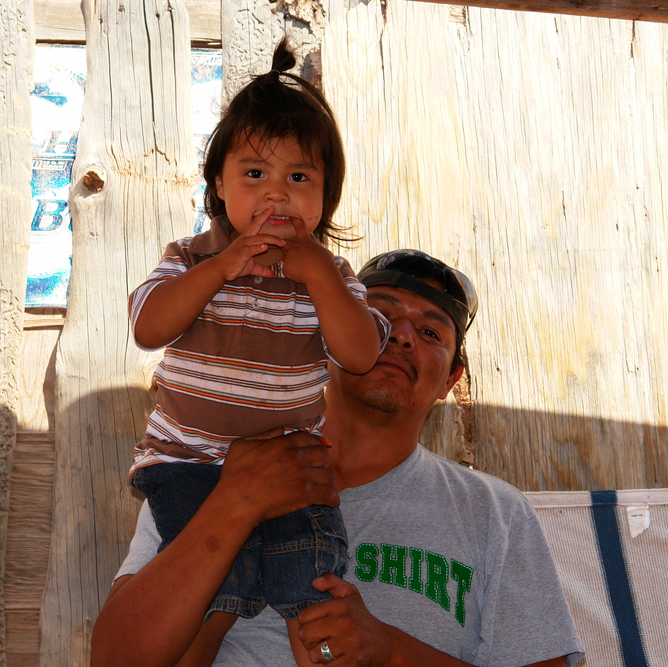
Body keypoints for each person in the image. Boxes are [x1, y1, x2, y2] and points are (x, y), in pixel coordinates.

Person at [93, 249, 585, 666]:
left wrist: (390, 650)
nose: (402, 335)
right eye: (381, 316)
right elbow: (114, 658)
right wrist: (236, 504)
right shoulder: (202, 469)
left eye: (432, 333)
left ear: (450, 381)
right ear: (324, 333)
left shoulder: (495, 513)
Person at [125, 37, 390, 666]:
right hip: (187, 461)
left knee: (313, 581)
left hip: (288, 467)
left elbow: (358, 353)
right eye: (255, 175)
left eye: (298, 178)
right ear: (218, 183)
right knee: (219, 584)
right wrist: (219, 270)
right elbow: (147, 326)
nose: (276, 195)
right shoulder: (193, 259)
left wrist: (320, 275)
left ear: (324, 196)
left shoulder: (328, 276)